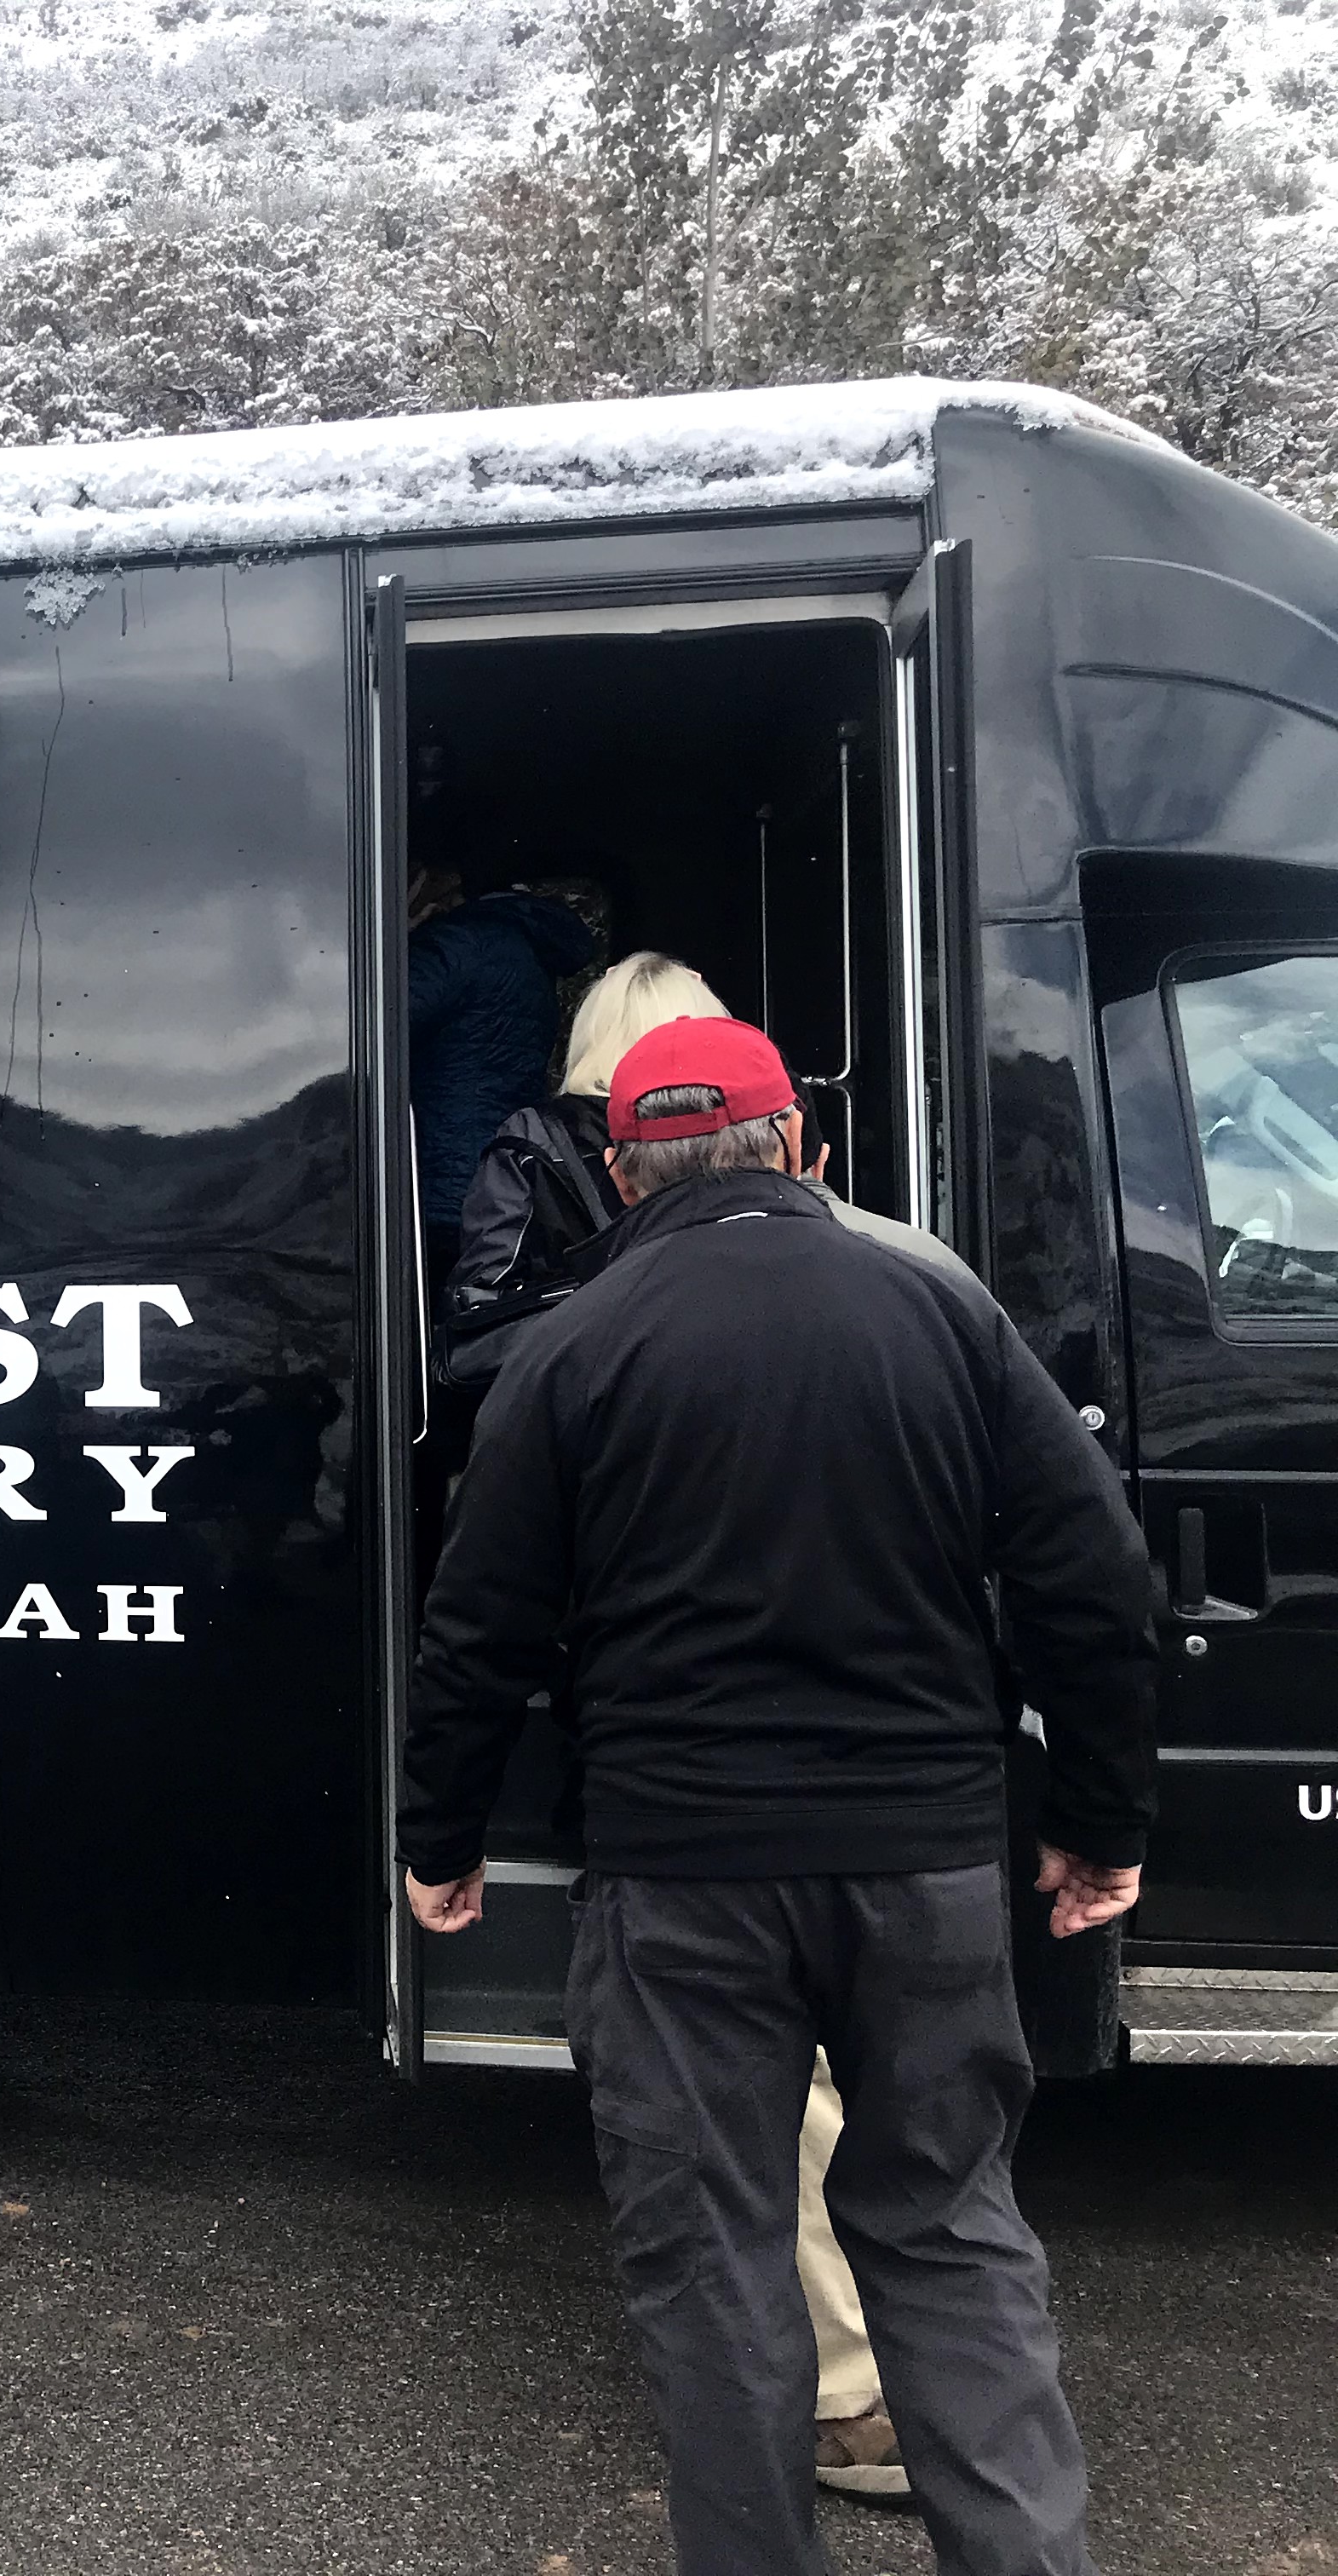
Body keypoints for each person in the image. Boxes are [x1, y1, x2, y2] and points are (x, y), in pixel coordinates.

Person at [400, 1016, 1158, 2576]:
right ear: (801, 1150)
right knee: (946, 2233)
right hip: (928, 1867)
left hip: (680, 1883)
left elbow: (475, 1626)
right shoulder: (941, 1311)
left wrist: (440, 1840)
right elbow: (1098, 1577)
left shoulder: (570, 1346)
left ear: (619, 1174)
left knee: (717, 2267)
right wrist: (1098, 1819)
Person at [441, 951, 724, 1390]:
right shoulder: (748, 1131)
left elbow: (482, 1299)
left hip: (583, 1389)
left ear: (596, 1030)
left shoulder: (535, 1135)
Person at [408, 875, 602, 1282]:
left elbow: (374, 1025)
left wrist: (404, 941)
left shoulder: (455, 944)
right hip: (496, 1165)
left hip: (441, 1170)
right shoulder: (521, 948)